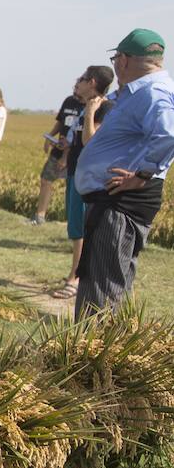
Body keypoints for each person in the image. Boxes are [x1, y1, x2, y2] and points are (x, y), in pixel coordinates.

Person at [72, 29, 174, 315]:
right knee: (109, 280)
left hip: (120, 202)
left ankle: (92, 353)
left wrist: (142, 174)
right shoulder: (138, 92)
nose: (115, 64)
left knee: (102, 288)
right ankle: (102, 348)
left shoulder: (153, 93)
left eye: (116, 57)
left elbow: (168, 134)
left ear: (124, 60)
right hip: (113, 199)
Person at [50, 65, 115, 300]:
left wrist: (90, 113)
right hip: (75, 172)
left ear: (94, 82)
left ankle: (75, 279)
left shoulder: (105, 108)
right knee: (75, 227)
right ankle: (76, 274)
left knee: (83, 230)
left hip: (91, 180)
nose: (80, 81)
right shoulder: (84, 107)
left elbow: (91, 140)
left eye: (84, 79)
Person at [29, 91, 85, 224]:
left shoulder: (89, 107)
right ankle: (40, 216)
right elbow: (60, 122)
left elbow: (78, 135)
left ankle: (71, 220)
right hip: (58, 148)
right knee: (46, 179)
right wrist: (50, 136)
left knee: (72, 186)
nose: (76, 89)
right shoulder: (69, 101)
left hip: (75, 153)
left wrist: (66, 157)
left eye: (78, 85)